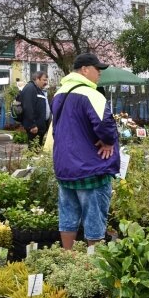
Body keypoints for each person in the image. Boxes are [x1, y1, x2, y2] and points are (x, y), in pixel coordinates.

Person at [51, 53, 119, 249]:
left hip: (64, 166)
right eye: (97, 70)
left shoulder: (59, 93)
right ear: (85, 69)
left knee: (67, 214)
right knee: (94, 218)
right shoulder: (92, 94)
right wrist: (108, 142)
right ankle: (93, 264)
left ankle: (67, 256)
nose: (99, 74)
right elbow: (105, 125)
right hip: (90, 166)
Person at [20, 71, 51, 147]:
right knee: (33, 150)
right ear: (37, 79)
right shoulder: (30, 88)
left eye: (46, 80)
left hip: (40, 126)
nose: (46, 82)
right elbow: (28, 107)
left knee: (37, 149)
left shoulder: (39, 89)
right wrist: (32, 125)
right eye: (44, 80)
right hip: (34, 128)